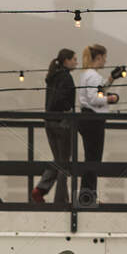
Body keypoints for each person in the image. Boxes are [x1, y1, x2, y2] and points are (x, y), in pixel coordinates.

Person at [32, 48, 78, 204]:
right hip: (62, 122)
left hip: (49, 121)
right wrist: (69, 109)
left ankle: (41, 189)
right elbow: (62, 99)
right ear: (66, 61)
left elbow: (53, 99)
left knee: (59, 159)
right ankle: (61, 199)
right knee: (64, 161)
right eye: (74, 59)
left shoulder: (52, 77)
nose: (76, 62)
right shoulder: (66, 78)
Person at [75, 44, 119, 206]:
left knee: (91, 158)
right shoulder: (93, 76)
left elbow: (99, 91)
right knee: (93, 160)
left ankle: (87, 196)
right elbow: (95, 98)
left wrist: (111, 79)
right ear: (98, 57)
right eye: (104, 57)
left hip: (87, 119)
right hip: (93, 120)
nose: (106, 60)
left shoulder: (87, 74)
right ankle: (87, 197)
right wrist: (111, 99)